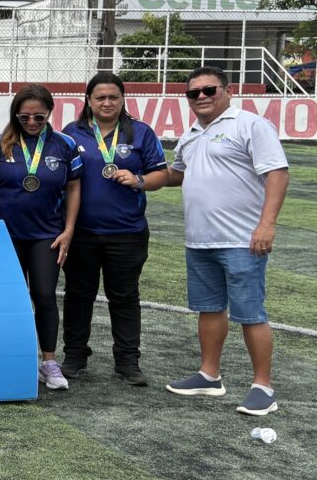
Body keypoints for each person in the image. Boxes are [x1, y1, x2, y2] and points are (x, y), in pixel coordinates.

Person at [163, 67, 290, 417]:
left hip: (242, 240)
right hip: (199, 240)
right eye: (194, 93)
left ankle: (263, 387)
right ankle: (209, 375)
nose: (201, 97)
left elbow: (277, 173)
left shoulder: (250, 124)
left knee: (251, 313)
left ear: (228, 91)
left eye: (209, 90)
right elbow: (176, 174)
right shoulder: (190, 134)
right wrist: (139, 180)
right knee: (209, 308)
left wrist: (266, 225)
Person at [60, 71, 169, 386]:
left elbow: (161, 175)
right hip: (81, 232)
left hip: (127, 232)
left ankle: (127, 361)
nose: (107, 103)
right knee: (78, 295)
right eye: (100, 97)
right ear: (89, 101)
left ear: (123, 100)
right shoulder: (71, 133)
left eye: (113, 97)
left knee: (124, 297)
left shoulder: (141, 133)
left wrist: (138, 180)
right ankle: (75, 356)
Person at [0, 85, 82, 392]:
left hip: (47, 235)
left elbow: (74, 187)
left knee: (45, 296)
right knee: (7, 298)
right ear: (15, 115)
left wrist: (69, 230)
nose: (32, 122)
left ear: (49, 113)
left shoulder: (64, 144)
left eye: (39, 116)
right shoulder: (2, 142)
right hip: (4, 235)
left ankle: (49, 362)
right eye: (25, 117)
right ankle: (7, 359)